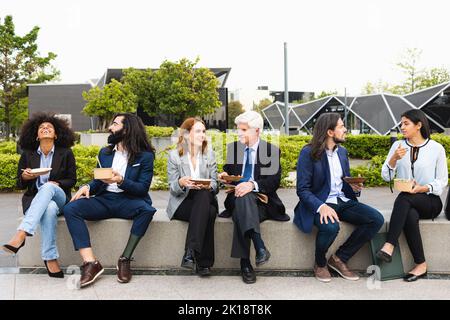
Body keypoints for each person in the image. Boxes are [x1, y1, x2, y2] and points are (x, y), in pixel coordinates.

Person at [63, 113, 156, 287]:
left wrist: (121, 180)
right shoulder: (104, 153)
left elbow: (142, 188)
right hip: (105, 199)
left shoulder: (145, 156)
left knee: (147, 210)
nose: (110, 128)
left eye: (114, 124)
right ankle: (91, 263)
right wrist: (88, 187)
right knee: (71, 208)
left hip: (129, 200)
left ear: (127, 129)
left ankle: (125, 258)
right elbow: (99, 181)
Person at [294, 113, 384, 283]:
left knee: (376, 219)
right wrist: (321, 207)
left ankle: (339, 258)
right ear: (329, 132)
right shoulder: (308, 152)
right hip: (319, 203)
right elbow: (302, 189)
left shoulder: (342, 152)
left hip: (342, 200)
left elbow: (344, 182)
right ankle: (320, 263)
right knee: (330, 227)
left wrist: (354, 187)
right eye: (341, 126)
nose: (345, 130)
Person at [218, 111, 290, 284]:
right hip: (237, 198)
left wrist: (251, 185)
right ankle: (260, 247)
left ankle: (245, 264)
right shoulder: (234, 148)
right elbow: (229, 171)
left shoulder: (270, 151)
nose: (239, 133)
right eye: (238, 129)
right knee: (242, 199)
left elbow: (273, 182)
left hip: (262, 202)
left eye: (243, 129)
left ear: (257, 131)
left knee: (241, 210)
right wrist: (225, 175)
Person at [2, 112, 76, 278]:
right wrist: (25, 177)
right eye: (41, 127)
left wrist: (57, 183)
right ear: (36, 135)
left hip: (60, 198)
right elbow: (19, 184)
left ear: (56, 134)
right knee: (48, 209)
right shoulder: (27, 154)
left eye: (49, 127)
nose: (45, 128)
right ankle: (50, 259)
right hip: (36, 200)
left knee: (49, 188)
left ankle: (22, 233)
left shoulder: (65, 153)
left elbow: (72, 179)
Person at [377, 109, 448, 282]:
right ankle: (420, 265)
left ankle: (389, 244)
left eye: (406, 123)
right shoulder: (397, 146)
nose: (402, 127)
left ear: (418, 125)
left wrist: (423, 188)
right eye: (401, 123)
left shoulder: (436, 148)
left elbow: (442, 181)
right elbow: (386, 176)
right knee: (409, 214)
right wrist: (393, 159)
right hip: (408, 203)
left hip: (430, 201)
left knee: (404, 198)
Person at [167, 117, 218, 277]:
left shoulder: (209, 154)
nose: (202, 134)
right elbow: (173, 188)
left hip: (204, 197)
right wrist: (181, 182)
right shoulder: (175, 156)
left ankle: (190, 252)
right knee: (208, 213)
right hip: (183, 202)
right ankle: (204, 263)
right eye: (198, 131)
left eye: (204, 131)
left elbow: (216, 184)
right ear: (187, 134)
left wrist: (209, 185)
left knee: (203, 194)